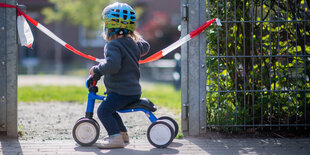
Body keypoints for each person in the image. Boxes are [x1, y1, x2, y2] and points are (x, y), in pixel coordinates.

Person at [89, 2, 150, 149]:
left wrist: (97, 70)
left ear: (108, 27)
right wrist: (133, 35)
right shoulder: (133, 43)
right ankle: (122, 134)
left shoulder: (113, 45)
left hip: (121, 92)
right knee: (110, 109)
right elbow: (146, 46)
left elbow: (113, 65)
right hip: (132, 91)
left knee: (103, 111)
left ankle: (115, 138)